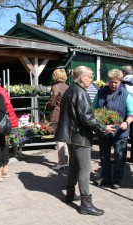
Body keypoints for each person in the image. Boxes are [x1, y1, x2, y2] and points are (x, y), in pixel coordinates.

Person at [55, 66, 115, 216]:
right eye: (90, 76)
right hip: (80, 136)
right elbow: (86, 117)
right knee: (85, 168)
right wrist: (103, 127)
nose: (91, 80)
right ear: (82, 77)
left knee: (74, 166)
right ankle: (86, 204)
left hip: (69, 135)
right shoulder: (80, 92)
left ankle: (69, 195)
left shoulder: (69, 91)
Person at [93, 69, 133, 189]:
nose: (113, 84)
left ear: (120, 81)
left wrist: (126, 123)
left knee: (119, 157)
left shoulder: (126, 95)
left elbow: (131, 113)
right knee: (104, 156)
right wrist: (99, 122)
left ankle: (117, 179)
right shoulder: (100, 93)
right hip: (104, 131)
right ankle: (105, 177)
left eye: (116, 82)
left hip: (120, 131)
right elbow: (93, 109)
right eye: (111, 82)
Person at [48, 68, 69, 170]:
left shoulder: (55, 87)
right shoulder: (68, 87)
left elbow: (52, 102)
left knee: (59, 139)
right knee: (66, 139)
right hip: (67, 115)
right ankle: (66, 161)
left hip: (57, 114)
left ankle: (61, 163)